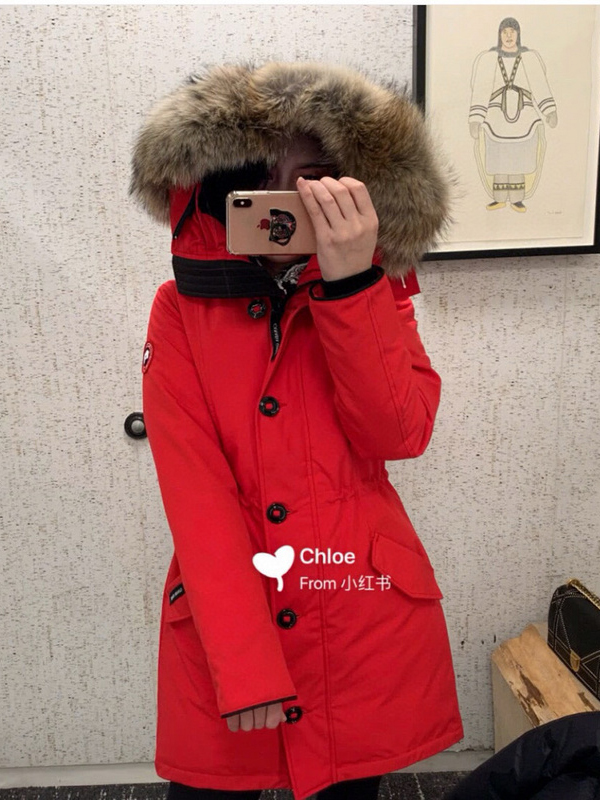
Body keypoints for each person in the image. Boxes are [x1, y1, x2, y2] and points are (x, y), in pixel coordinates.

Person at [130, 61, 464, 800]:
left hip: (360, 617)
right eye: (260, 178)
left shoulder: (378, 295)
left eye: (313, 179)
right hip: (226, 626)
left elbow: (399, 434)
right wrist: (245, 664)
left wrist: (352, 285)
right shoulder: (179, 310)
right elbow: (195, 493)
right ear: (217, 187)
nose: (287, 201)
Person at [469, 17, 558, 212]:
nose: (509, 36)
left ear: (518, 34)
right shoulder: (487, 59)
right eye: (505, 32)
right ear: (499, 35)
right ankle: (499, 197)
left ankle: (517, 198)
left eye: (512, 32)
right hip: (496, 116)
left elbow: (540, 85)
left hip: (524, 115)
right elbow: (480, 90)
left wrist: (549, 110)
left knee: (519, 158)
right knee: (499, 158)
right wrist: (476, 118)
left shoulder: (530, 58)